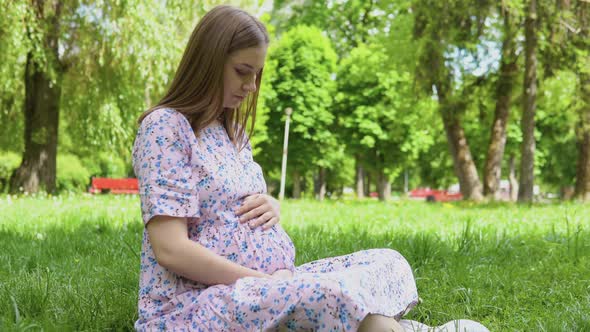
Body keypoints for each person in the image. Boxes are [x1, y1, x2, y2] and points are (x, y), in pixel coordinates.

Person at [131, 5, 488, 332]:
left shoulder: (232, 131)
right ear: (209, 60)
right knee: (329, 293)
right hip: (195, 303)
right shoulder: (166, 127)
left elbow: (233, 201)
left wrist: (271, 206)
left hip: (272, 281)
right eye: (242, 72)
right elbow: (171, 249)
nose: (251, 86)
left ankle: (369, 324)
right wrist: (263, 282)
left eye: (257, 74)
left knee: (388, 262)